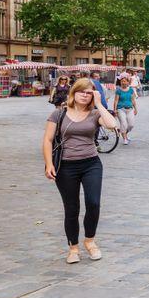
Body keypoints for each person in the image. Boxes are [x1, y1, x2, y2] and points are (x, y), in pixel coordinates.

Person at [42, 77, 120, 264]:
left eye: (88, 92)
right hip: (66, 166)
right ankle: (73, 248)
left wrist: (100, 103)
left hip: (91, 163)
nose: (84, 95)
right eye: (81, 92)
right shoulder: (59, 114)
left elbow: (112, 125)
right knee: (71, 208)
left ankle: (90, 241)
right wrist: (49, 164)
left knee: (93, 203)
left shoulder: (95, 114)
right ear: (73, 93)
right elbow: (47, 140)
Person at [111, 75, 137, 145]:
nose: (123, 82)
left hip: (130, 109)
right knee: (124, 124)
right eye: (122, 81)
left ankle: (123, 132)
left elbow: (133, 100)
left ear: (128, 82)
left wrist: (135, 109)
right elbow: (116, 101)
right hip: (120, 109)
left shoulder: (131, 90)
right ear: (120, 82)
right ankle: (125, 138)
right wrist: (115, 110)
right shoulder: (118, 90)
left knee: (131, 125)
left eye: (125, 81)